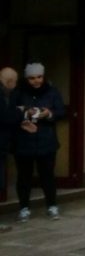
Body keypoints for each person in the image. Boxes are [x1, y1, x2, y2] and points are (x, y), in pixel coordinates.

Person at [14, 62, 65, 223]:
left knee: (47, 176)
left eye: (39, 77)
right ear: (26, 78)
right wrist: (24, 113)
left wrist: (49, 113)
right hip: (24, 142)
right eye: (32, 78)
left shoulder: (52, 91)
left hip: (46, 141)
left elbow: (61, 111)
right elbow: (10, 112)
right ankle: (24, 208)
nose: (36, 81)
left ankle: (52, 206)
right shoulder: (19, 92)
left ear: (43, 76)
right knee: (24, 177)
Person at [0, 67, 20, 232]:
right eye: (14, 81)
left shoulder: (8, 95)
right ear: (9, 81)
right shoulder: (2, 96)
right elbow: (5, 117)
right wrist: (21, 114)